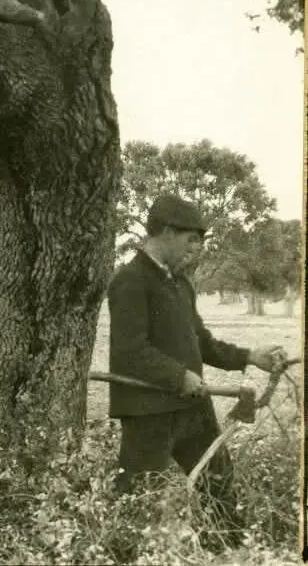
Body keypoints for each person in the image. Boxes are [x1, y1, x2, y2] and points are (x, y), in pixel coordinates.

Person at [107, 193, 287, 551]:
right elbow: (130, 352)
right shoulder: (129, 281)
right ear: (168, 232)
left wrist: (250, 356)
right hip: (149, 415)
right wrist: (179, 377)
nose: (197, 251)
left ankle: (229, 553)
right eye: (192, 241)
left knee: (218, 483)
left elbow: (201, 342)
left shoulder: (181, 284)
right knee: (139, 502)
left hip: (192, 408)